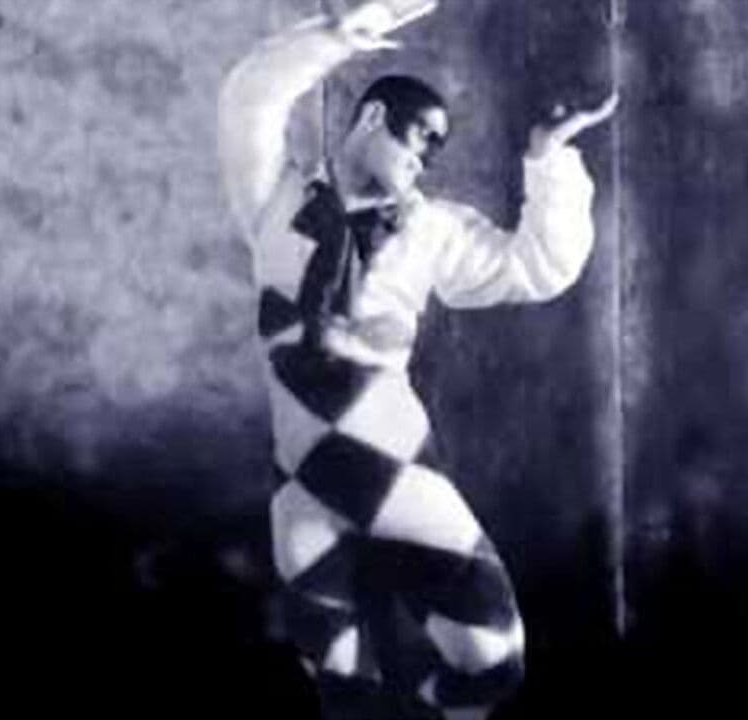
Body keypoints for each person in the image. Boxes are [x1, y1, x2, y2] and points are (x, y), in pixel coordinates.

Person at [217, 2, 617, 717]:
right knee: (339, 687)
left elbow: (537, 268)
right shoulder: (274, 201)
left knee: (491, 656)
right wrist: (342, 32)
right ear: (373, 118)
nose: (425, 159)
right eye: (420, 137)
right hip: (301, 490)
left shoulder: (431, 231)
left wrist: (547, 158)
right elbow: (249, 99)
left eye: (435, 150)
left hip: (392, 465)